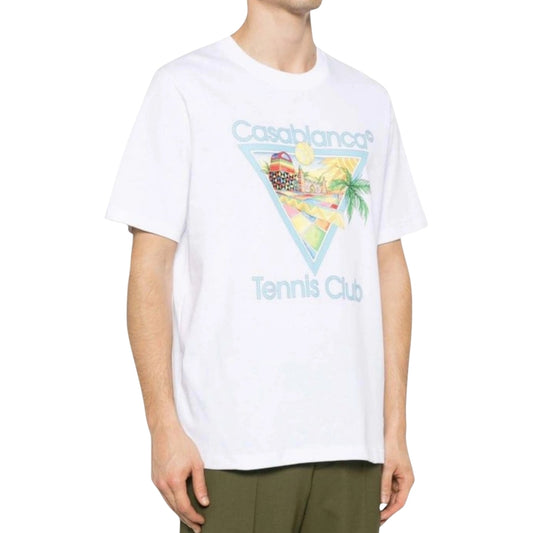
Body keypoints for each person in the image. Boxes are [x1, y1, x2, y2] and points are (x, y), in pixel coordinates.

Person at [105, 1, 428, 531]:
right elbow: (150, 267)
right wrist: (162, 427)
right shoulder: (185, 87)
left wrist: (395, 429)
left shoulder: (368, 100)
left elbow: (388, 264)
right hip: (228, 447)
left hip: (352, 444)